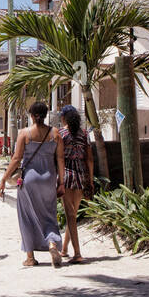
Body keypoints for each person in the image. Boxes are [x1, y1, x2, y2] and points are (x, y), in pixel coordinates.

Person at [0, 100, 65, 268]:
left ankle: (30, 257)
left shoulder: (24, 134)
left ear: (32, 116)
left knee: (26, 216)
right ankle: (52, 244)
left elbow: (16, 159)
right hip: (49, 178)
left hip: (29, 180)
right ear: (45, 114)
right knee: (49, 214)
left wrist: (4, 179)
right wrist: (61, 182)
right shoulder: (55, 133)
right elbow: (61, 159)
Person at [58, 105, 95, 264]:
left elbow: (58, 157)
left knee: (70, 214)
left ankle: (77, 253)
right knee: (72, 213)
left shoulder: (60, 134)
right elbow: (90, 159)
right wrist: (90, 180)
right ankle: (65, 249)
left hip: (66, 173)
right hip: (81, 174)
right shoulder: (84, 134)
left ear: (64, 118)